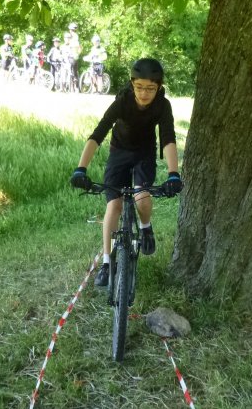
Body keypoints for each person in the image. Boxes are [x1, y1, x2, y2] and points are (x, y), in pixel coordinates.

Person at [70, 58, 183, 286]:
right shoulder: (122, 101)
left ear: (159, 87)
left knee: (142, 196)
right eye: (139, 87)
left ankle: (145, 227)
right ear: (132, 84)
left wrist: (173, 173)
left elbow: (168, 138)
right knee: (114, 205)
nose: (144, 93)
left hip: (144, 153)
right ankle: (106, 263)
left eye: (150, 88)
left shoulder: (163, 105)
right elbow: (98, 133)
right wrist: (81, 169)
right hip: (119, 151)